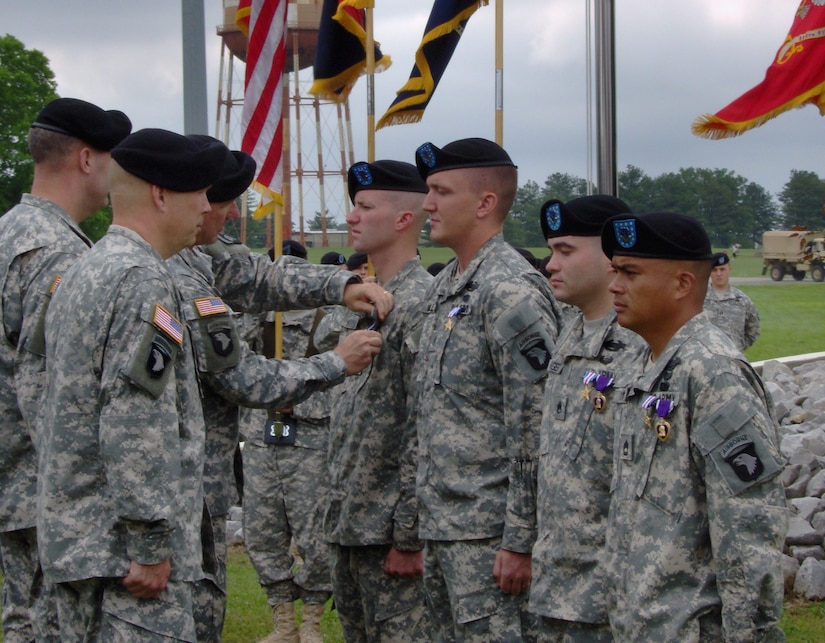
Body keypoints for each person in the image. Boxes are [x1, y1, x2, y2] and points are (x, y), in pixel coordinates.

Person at [166, 145, 381, 642]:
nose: (231, 214)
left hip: (198, 488)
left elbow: (258, 275)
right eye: (221, 201)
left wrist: (341, 285)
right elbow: (239, 377)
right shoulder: (176, 275)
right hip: (175, 497)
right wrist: (335, 362)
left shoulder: (194, 259)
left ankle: (302, 621)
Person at [36, 128, 226, 641]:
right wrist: (149, 541)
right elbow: (134, 419)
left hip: (80, 542)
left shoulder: (86, 270)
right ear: (161, 195)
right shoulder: (142, 281)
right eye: (199, 193)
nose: (207, 208)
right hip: (126, 564)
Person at [601, 211, 787, 641]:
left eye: (629, 273)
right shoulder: (645, 365)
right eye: (614, 271)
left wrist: (750, 634)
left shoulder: (713, 372)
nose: (614, 285)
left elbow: (749, 526)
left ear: (682, 284)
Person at [411, 138, 562, 642]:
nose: (426, 204)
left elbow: (536, 421)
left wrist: (520, 539)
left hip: (489, 536)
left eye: (440, 191)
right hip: (443, 526)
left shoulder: (509, 290)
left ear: (484, 203)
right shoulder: (446, 285)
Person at [0, 97, 131, 643]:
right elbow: (52, 386)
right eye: (110, 159)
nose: (113, 176)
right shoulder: (55, 253)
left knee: (22, 619)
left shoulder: (12, 229)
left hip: (16, 480)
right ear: (84, 160)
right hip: (47, 490)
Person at [315, 160, 433, 641]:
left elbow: (423, 426)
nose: (351, 217)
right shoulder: (367, 302)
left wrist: (408, 533)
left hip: (388, 533)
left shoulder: (421, 302)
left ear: (404, 219)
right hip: (350, 525)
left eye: (365, 206)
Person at [529, 195, 645, 641]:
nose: (550, 264)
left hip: (611, 599)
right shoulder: (571, 332)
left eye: (566, 251)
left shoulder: (641, 346)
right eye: (551, 251)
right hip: (560, 589)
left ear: (611, 254)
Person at [240, 240, 341, 643]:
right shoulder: (255, 317)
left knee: (316, 536)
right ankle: (282, 622)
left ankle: (312, 620)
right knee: (262, 532)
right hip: (262, 439)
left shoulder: (327, 319)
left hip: (311, 439)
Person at [704, 251, 761, 351]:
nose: (718, 274)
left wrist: (737, 347)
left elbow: (753, 331)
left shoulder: (742, 300)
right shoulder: (699, 299)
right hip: (706, 361)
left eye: (722, 269)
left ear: (729, 269)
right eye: (714, 270)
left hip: (733, 361)